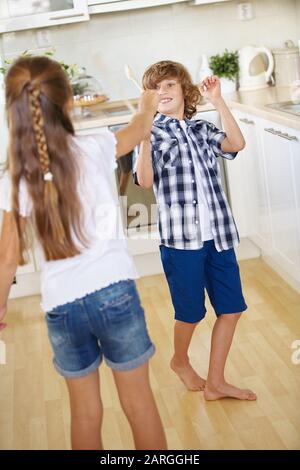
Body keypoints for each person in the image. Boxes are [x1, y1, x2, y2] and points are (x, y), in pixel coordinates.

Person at [0, 55, 167, 450]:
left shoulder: (16, 179)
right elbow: (141, 126)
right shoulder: (96, 146)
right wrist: (146, 104)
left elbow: (6, 258)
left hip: (62, 306)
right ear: (69, 104)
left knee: (86, 414)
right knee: (139, 405)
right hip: (115, 294)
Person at [135, 60, 257, 401]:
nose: (162, 92)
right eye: (155, 89)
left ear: (184, 91)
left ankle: (216, 382)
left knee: (231, 309)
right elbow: (144, 181)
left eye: (169, 85)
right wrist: (143, 136)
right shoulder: (152, 134)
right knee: (190, 313)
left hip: (218, 234)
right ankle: (180, 360)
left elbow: (236, 143)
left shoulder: (201, 129)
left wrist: (219, 101)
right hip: (181, 241)